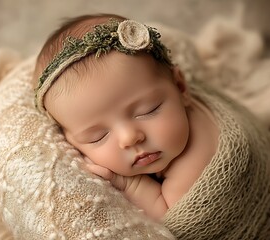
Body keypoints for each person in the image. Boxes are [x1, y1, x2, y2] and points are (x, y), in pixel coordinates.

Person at [33, 13, 220, 220]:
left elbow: (179, 221)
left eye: (148, 110)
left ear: (180, 87)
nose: (129, 138)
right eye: (99, 136)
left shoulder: (195, 158)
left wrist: (130, 184)